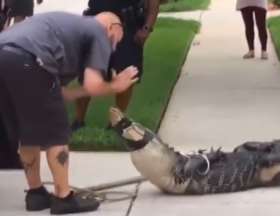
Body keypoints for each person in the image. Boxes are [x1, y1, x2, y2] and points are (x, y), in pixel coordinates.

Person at [0, 11, 138, 214]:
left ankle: (36, 194)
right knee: (57, 132)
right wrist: (116, 86)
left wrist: (85, 89)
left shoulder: (69, 31)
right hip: (30, 60)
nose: (114, 46)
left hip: (5, 55)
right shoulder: (98, 31)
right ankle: (63, 197)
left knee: (27, 131)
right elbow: (93, 85)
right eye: (119, 37)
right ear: (112, 27)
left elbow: (61, 92)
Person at [71, 0, 160, 131]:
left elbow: (154, 4)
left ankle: (117, 123)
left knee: (126, 72)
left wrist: (147, 28)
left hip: (128, 26)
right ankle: (78, 122)